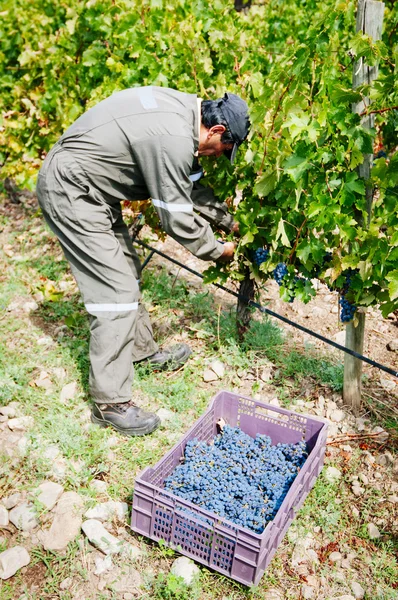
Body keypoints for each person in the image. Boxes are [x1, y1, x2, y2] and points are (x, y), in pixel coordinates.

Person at [36, 86, 250, 436]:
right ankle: (110, 404)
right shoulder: (172, 139)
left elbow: (193, 188)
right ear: (216, 131)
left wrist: (232, 223)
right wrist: (219, 250)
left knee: (127, 268)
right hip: (71, 189)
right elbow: (176, 218)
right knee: (114, 290)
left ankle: (139, 351)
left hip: (92, 190)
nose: (216, 157)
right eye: (222, 150)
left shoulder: (183, 113)